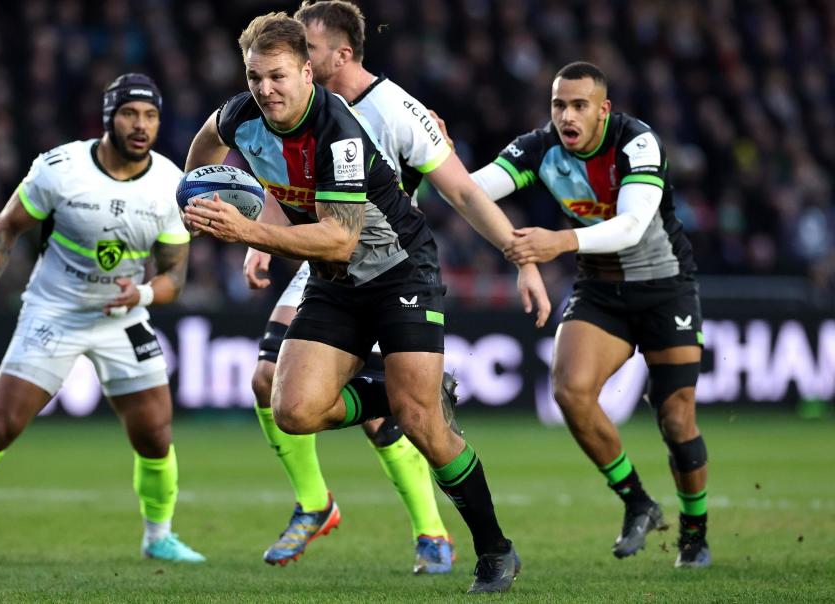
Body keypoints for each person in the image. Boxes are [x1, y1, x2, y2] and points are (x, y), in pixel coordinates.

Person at [182, 12, 523, 594]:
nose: (265, 90)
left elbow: (340, 235)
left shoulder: (336, 130)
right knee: (292, 411)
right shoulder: (243, 114)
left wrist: (246, 231)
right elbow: (209, 137)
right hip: (334, 280)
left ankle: (495, 549)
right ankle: (396, 388)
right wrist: (196, 188)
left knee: (422, 424)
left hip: (398, 271)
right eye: (255, 76)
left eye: (278, 77)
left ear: (308, 72)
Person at [0, 74, 204, 565]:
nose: (141, 125)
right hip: (54, 310)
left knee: (155, 436)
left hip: (123, 316)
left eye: (151, 116)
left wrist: (139, 293)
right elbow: (6, 226)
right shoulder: (60, 168)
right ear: (109, 118)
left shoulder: (170, 184)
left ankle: (158, 536)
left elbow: (173, 278)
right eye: (129, 114)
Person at [467, 61, 710, 568]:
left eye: (579, 106)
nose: (566, 116)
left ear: (604, 110)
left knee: (674, 416)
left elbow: (632, 225)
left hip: (665, 288)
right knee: (570, 392)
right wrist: (431, 162)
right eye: (559, 105)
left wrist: (556, 242)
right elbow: (470, 191)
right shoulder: (538, 148)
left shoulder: (637, 143)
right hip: (601, 290)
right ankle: (637, 501)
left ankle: (694, 532)